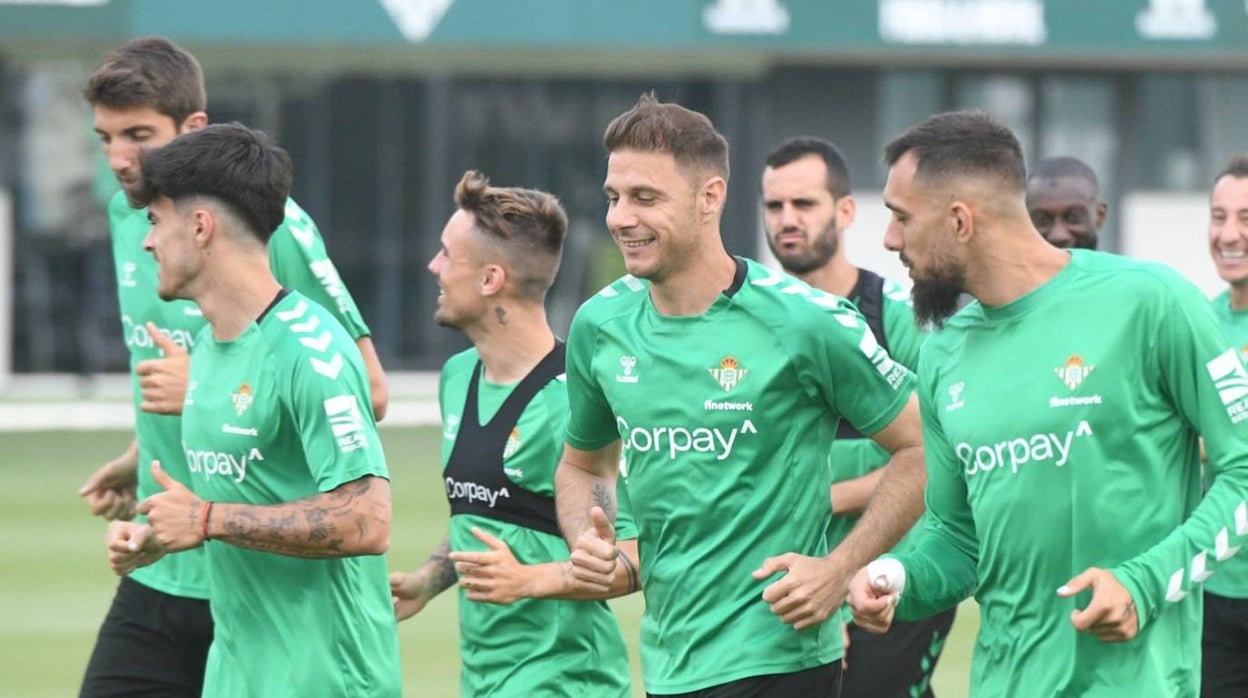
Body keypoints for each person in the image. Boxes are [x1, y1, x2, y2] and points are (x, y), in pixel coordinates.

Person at [848, 110, 1248, 696]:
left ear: (959, 221)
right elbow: (958, 540)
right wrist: (898, 578)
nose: (890, 240)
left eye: (902, 217)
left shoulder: (1151, 303)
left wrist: (1144, 583)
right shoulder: (943, 355)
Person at [554, 93, 927, 697]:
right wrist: (589, 539)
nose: (621, 217)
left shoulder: (807, 322)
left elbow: (924, 448)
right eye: (614, 198)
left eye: (646, 198)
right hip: (669, 659)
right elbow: (583, 464)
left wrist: (838, 569)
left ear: (710, 198)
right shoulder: (599, 325)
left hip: (781, 657)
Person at [76, 37, 387, 697]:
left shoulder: (289, 292)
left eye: (137, 135)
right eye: (104, 137)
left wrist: (208, 501)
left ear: (201, 226)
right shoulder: (207, 323)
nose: (119, 160)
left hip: (291, 633)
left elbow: (367, 493)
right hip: (186, 572)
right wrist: (149, 490)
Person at [389, 170, 640, 696]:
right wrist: (428, 581)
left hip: (569, 686)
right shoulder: (459, 378)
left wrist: (527, 582)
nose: (433, 267)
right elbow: (489, 516)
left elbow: (635, 558)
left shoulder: (576, 399)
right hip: (484, 684)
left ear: (490, 279)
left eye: (446, 255)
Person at [762, 136, 953, 697]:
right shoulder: (754, 327)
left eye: (804, 204)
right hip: (790, 572)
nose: (787, 220)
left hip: (895, 573)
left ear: (845, 211)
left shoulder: (900, 321)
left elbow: (945, 457)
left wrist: (831, 498)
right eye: (774, 207)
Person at [1203, 154, 1248, 697]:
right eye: (1218, 216)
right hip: (1212, 589)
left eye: (1245, 218)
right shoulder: (1197, 321)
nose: (1229, 234)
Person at [1025, 156, 1107, 250]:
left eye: (1073, 218)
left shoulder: (1123, 265)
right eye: (1042, 221)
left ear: (1100, 215)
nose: (1058, 236)